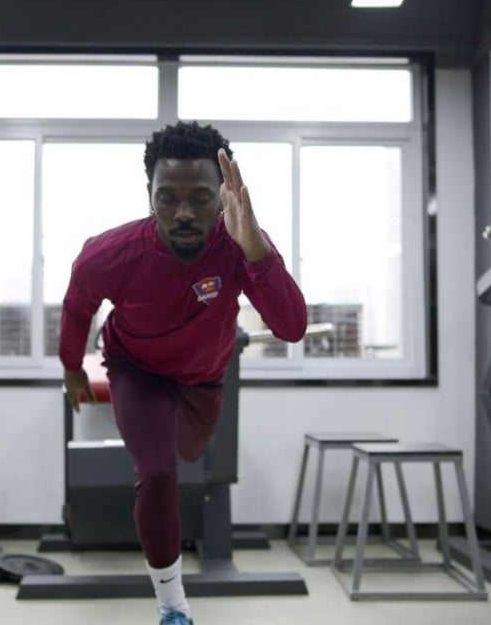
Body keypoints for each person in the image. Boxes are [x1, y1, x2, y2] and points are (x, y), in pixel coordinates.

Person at [59, 121, 307, 625]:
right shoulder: (107, 254)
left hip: (203, 378)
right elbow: (76, 306)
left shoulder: (241, 245)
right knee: (157, 472)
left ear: (224, 197)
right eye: (167, 198)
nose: (185, 213)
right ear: (148, 195)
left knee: (191, 452)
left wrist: (254, 245)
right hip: (137, 369)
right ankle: (173, 607)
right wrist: (71, 369)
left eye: (200, 197)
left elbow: (292, 327)